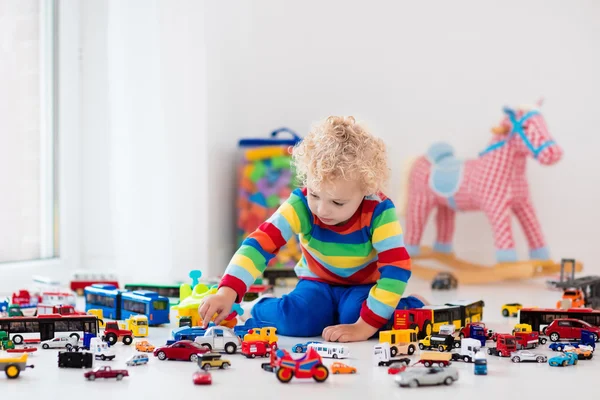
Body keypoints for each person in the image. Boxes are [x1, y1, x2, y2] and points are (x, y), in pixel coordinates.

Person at [199, 116, 426, 342]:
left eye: (338, 202)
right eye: (315, 195)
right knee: (297, 320)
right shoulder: (301, 204)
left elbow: (396, 268)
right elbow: (259, 245)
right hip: (317, 282)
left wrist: (363, 327)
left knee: (354, 315)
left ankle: (412, 304)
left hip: (364, 286)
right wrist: (227, 292)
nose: (322, 210)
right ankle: (255, 308)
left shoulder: (379, 211)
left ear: (366, 190)